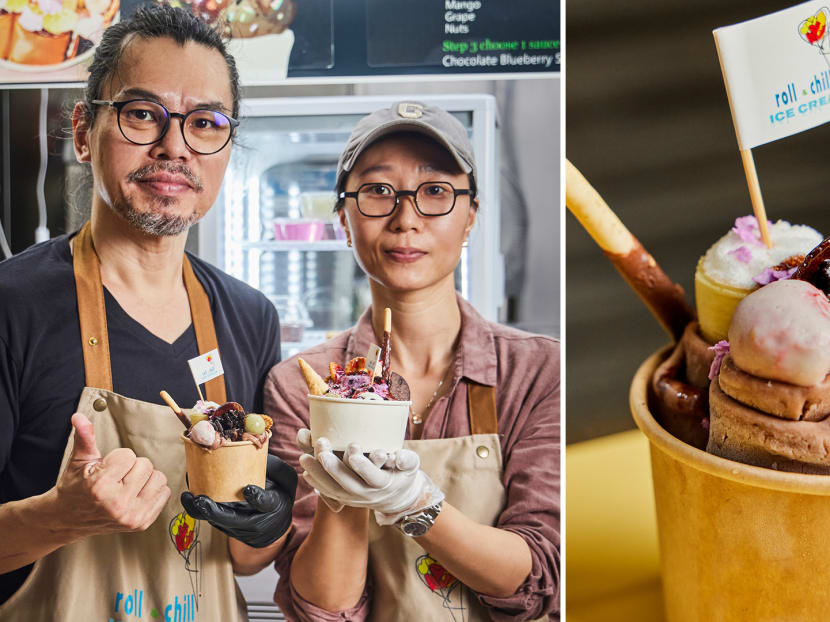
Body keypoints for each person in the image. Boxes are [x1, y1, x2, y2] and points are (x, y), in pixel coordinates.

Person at [0, 6, 295, 621]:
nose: (174, 147)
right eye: (142, 115)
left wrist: (268, 525)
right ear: (83, 131)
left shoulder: (250, 317)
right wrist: (58, 517)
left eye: (206, 123)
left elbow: (243, 560)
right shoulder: (12, 305)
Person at [234, 102, 560, 621]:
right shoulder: (301, 386)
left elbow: (535, 581)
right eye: (378, 192)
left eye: (435, 192)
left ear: (471, 214)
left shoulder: (537, 373)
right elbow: (324, 610)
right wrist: (342, 494)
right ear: (343, 219)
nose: (406, 219)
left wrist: (416, 504)